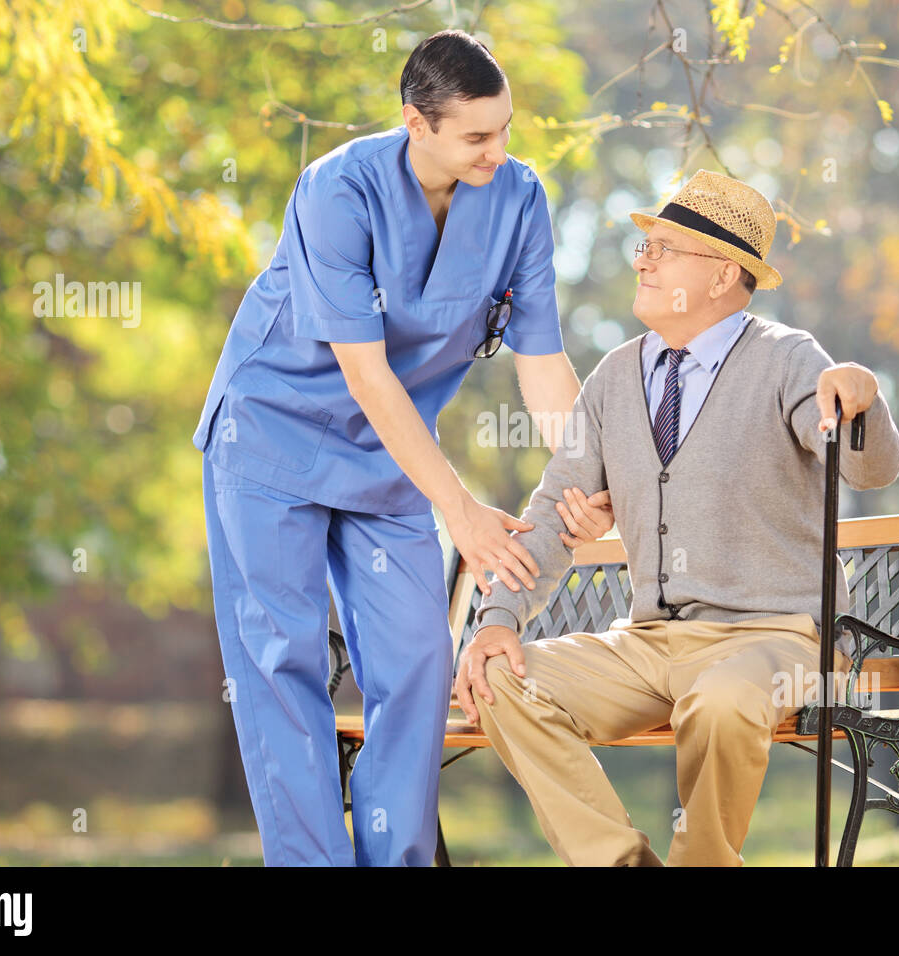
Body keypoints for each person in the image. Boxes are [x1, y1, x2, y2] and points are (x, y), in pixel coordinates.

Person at [193, 30, 614, 866]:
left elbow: (541, 364)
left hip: (389, 464)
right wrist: (458, 510)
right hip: (271, 443)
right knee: (281, 665)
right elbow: (368, 375)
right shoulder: (336, 190)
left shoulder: (519, 199)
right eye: (476, 136)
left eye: (505, 129)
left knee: (419, 661)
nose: (499, 151)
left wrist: (585, 479)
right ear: (417, 123)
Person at [453, 169, 899, 866]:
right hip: (651, 643)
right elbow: (552, 512)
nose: (643, 260)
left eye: (665, 249)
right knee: (502, 677)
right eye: (645, 247)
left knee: (722, 699)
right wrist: (498, 621)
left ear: (723, 275)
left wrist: (863, 398)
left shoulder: (787, 359)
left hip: (776, 639)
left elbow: (868, 469)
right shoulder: (612, 377)